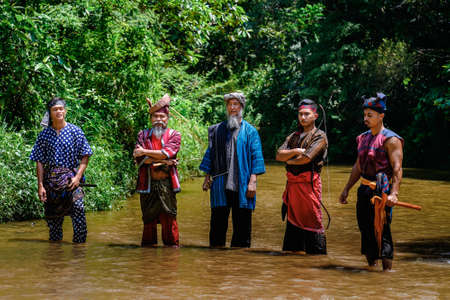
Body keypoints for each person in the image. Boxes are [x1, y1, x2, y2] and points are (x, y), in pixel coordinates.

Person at [338, 92, 404, 271]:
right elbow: (358, 166)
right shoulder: (362, 138)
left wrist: (394, 194)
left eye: (370, 115)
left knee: (382, 232)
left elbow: (397, 168)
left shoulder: (391, 140)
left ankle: (387, 273)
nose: (365, 118)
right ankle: (371, 270)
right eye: (365, 115)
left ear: (381, 116)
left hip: (381, 191)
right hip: (364, 190)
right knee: (366, 231)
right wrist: (346, 189)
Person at [200, 92, 265, 248]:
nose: (232, 107)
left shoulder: (250, 132)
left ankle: (239, 260)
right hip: (220, 183)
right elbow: (211, 153)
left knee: (242, 225)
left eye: (236, 104)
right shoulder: (217, 130)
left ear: (241, 107)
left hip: (242, 183)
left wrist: (253, 182)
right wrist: (207, 176)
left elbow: (257, 157)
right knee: (217, 224)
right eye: (229, 104)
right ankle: (216, 258)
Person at [30, 97, 93, 243]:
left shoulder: (75, 131)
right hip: (50, 183)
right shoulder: (44, 135)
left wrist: (78, 177)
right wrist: (40, 185)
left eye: (61, 108)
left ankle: (79, 252)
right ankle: (55, 257)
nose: (59, 111)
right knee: (54, 224)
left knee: (78, 210)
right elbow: (39, 161)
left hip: (71, 180)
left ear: (65, 111)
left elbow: (86, 155)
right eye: (55, 109)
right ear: (50, 113)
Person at [276, 99, 328, 254]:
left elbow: (306, 158)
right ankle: (294, 255)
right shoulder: (293, 136)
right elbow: (278, 155)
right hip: (293, 187)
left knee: (312, 219)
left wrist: (289, 160)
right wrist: (295, 151)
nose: (303, 117)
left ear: (315, 116)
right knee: (292, 226)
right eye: (300, 114)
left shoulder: (320, 136)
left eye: (307, 114)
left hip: (309, 187)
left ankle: (317, 255)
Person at [133, 94, 181, 247]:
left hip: (166, 183)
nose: (159, 119)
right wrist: (165, 161)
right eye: (155, 116)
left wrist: (146, 152)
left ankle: (171, 256)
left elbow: (166, 152)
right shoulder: (143, 135)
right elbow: (140, 159)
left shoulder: (174, 135)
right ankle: (148, 258)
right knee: (148, 221)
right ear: (151, 119)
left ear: (167, 118)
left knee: (169, 219)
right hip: (147, 183)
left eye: (162, 116)